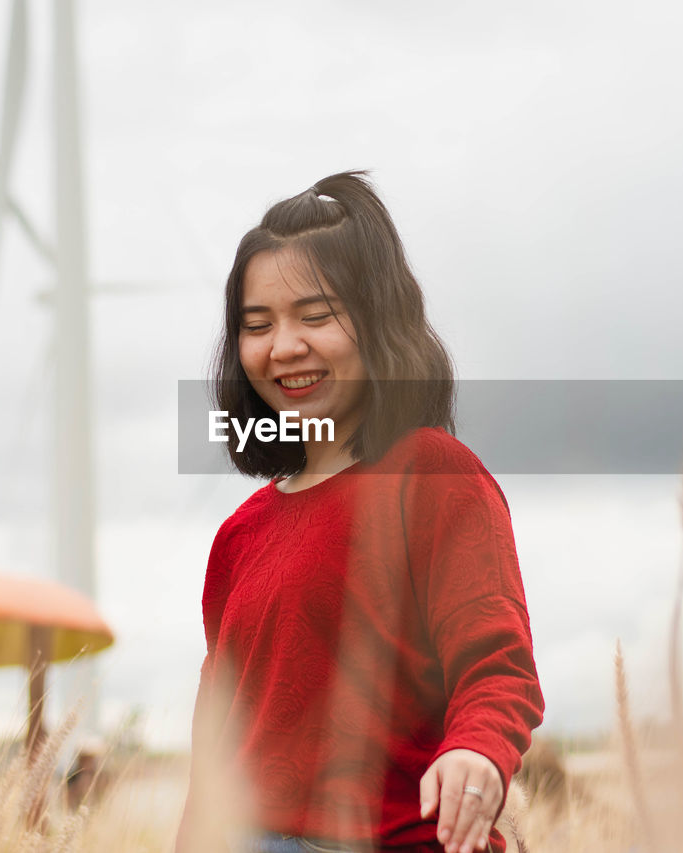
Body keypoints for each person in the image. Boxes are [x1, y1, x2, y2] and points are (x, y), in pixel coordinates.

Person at [176, 171, 544, 853]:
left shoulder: (433, 473)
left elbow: (498, 663)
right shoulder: (238, 536)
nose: (284, 346)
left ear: (378, 323)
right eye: (257, 325)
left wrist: (479, 752)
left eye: (316, 316)